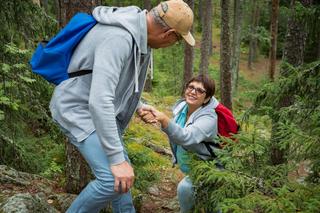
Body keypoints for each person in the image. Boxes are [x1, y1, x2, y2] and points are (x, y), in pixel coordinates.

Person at [49, 1, 195, 212]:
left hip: (98, 110)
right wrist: (117, 160)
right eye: (178, 40)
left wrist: (139, 105)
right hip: (77, 110)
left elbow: (116, 84)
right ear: (168, 33)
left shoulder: (139, 36)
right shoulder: (119, 38)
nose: (174, 44)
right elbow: (99, 101)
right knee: (111, 180)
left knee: (122, 181)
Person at [139, 74, 221, 212]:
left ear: (207, 98)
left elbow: (186, 137)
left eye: (200, 90)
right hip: (193, 169)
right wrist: (155, 116)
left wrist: (164, 120)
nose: (193, 92)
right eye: (191, 87)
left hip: (212, 169)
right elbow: (176, 128)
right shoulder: (182, 106)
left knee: (187, 190)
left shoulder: (209, 118)